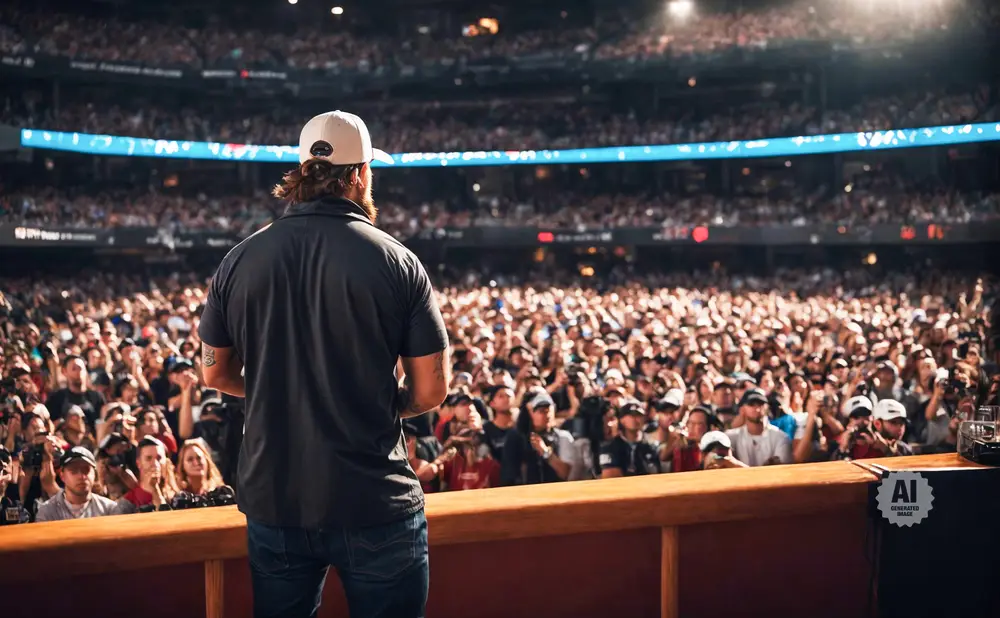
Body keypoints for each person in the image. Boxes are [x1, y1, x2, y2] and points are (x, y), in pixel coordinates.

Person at [198, 110, 449, 618]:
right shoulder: (398, 262)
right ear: (359, 175)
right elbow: (429, 392)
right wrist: (374, 401)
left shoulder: (238, 261)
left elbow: (215, 373)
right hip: (374, 498)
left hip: (276, 499)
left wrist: (281, 392)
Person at [501, 391, 576, 485]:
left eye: (548, 410)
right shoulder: (516, 437)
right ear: (530, 412)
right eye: (541, 411)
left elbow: (565, 474)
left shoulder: (563, 437)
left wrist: (546, 452)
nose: (547, 415)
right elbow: (509, 474)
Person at [35, 447, 123, 522]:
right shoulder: (47, 512)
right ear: (62, 476)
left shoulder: (109, 509)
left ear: (94, 475)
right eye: (73, 470)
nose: (81, 476)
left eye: (86, 470)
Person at [725, 388, 793, 466]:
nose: (757, 409)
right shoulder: (731, 437)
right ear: (742, 409)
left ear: (767, 407)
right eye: (751, 404)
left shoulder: (781, 437)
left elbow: (782, 469)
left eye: (760, 404)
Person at [599, 400, 662, 477]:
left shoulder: (650, 445)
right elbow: (610, 478)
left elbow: (657, 473)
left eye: (639, 415)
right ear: (622, 420)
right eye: (631, 415)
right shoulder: (611, 447)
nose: (635, 419)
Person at [44, 355, 106, 426]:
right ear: (64, 371)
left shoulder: (97, 397)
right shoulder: (56, 398)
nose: (78, 372)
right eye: (74, 369)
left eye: (80, 368)